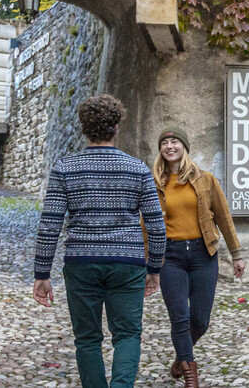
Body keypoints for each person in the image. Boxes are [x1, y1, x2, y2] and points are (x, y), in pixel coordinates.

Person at [33, 95, 166, 388]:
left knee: (87, 338)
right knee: (128, 334)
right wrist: (154, 269)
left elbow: (50, 225)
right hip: (128, 263)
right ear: (116, 127)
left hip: (81, 263)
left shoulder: (65, 168)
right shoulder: (138, 168)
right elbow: (156, 225)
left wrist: (42, 274)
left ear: (84, 128)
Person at [152, 126, 245, 388]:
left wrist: (236, 254)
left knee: (200, 320)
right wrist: (148, 261)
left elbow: (224, 218)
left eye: (175, 142)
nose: (170, 146)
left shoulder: (206, 180)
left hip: (204, 254)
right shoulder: (154, 184)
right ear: (160, 150)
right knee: (179, 316)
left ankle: (182, 357)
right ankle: (190, 375)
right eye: (165, 143)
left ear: (184, 147)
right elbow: (144, 225)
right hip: (170, 256)